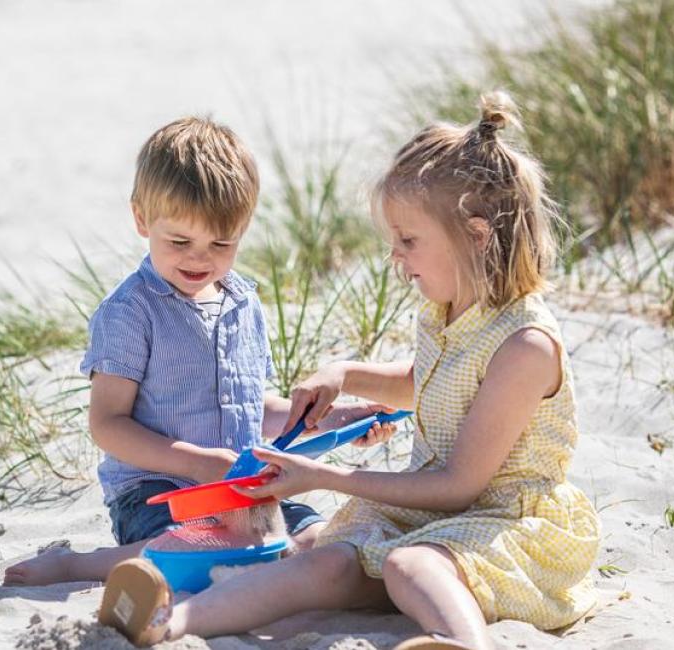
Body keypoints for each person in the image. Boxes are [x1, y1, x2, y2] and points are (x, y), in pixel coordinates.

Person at [96, 93, 599, 650]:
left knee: (411, 566)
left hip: (500, 524)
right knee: (323, 562)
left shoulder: (526, 345)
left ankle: (455, 643)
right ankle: (170, 624)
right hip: (427, 517)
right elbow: (426, 381)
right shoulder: (450, 311)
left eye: (408, 241)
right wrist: (345, 378)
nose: (395, 258)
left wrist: (322, 477)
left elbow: (459, 486)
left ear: (476, 235)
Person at [3, 116, 394, 587]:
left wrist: (335, 419)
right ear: (142, 219)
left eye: (221, 243)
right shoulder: (131, 311)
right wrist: (195, 462)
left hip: (242, 485)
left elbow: (251, 410)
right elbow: (107, 424)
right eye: (180, 241)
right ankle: (77, 565)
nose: (199, 258)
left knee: (321, 542)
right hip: (161, 491)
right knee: (211, 551)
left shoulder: (243, 304)